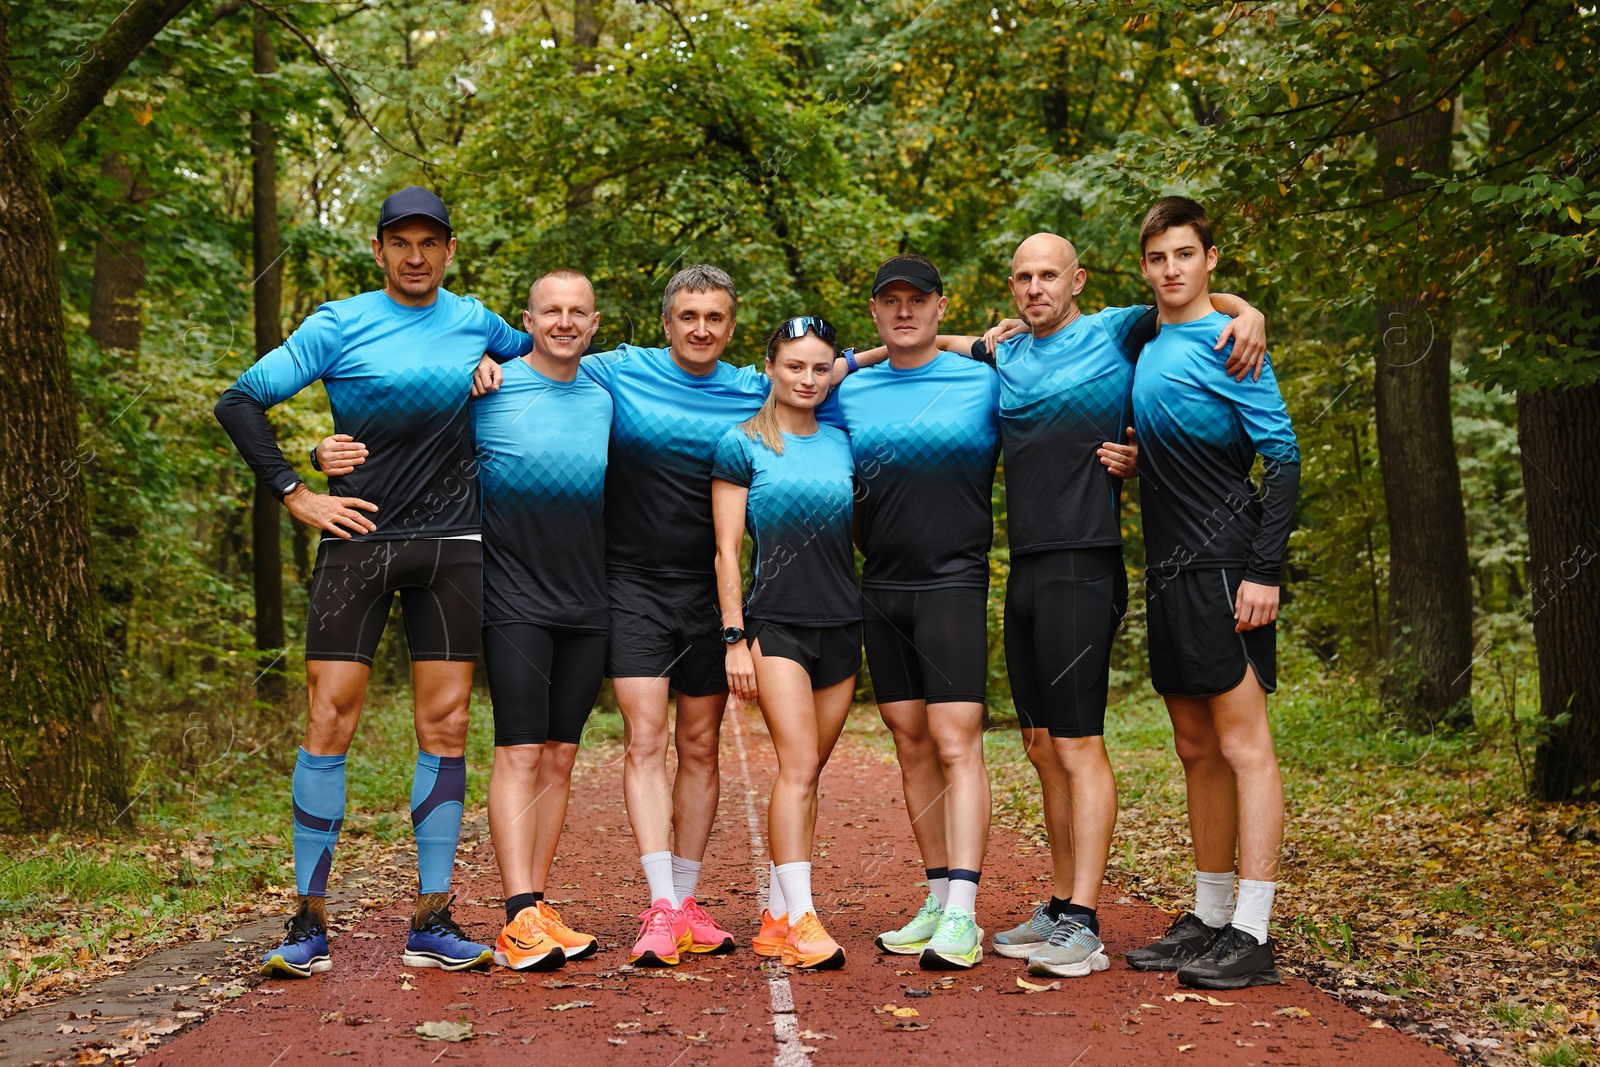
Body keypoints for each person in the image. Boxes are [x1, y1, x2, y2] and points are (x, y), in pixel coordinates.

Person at [470, 266, 873, 966]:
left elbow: (832, 373)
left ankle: (685, 902)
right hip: (627, 585)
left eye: (715, 317)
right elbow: (548, 343)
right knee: (645, 735)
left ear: (733, 325)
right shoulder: (617, 371)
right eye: (688, 315)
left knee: (702, 742)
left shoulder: (756, 387)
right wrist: (482, 357)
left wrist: (934, 348)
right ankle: (659, 903)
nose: (701, 329)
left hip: (710, 593)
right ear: (665, 322)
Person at [909, 235, 1267, 979]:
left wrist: (1248, 309)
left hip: (1085, 562)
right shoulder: (1004, 354)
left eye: (1050, 275)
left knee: (1078, 745)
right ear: (1010, 286)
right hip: (1027, 566)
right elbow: (930, 337)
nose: (1036, 288)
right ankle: (1060, 901)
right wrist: (855, 359)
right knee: (1040, 745)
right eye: (1023, 277)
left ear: (1078, 280)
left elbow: (1190, 302)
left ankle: (1087, 923)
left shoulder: (1114, 329)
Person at [214, 187, 530, 978]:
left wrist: (501, 358)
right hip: (358, 537)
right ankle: (308, 921)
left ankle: (431, 919)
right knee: (329, 719)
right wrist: (297, 486)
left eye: (430, 242)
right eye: (401, 242)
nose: (416, 255)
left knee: (448, 725)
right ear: (380, 248)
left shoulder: (476, 321)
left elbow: (542, 352)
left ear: (450, 251)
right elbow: (240, 401)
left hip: (454, 545)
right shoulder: (337, 323)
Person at [319, 269, 611, 972]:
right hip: (509, 595)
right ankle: (515, 915)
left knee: (561, 756)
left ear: (595, 323)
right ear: (527, 318)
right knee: (518, 750)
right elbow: (400, 438)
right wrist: (317, 455)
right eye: (551, 310)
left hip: (587, 598)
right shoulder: (486, 388)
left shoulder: (609, 392)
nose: (564, 322)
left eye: (578, 311)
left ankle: (537, 906)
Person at [1120, 197, 1299, 989]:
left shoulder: (1233, 343)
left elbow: (1283, 459)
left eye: (1184, 255)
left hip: (1229, 566)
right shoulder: (1145, 338)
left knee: (1243, 746)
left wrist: (1266, 570)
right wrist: (1141, 465)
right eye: (1158, 257)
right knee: (1196, 750)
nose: (1171, 270)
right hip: (1167, 571)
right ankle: (1212, 913)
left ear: (1209, 259)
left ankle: (1254, 934)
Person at [818, 254, 1001, 971]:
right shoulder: (849, 391)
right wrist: (846, 361)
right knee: (910, 738)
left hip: (953, 580)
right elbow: (798, 412)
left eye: (916, 300)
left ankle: (965, 909)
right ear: (874, 311)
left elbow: (1052, 408)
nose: (904, 311)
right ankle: (935, 896)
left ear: (940, 305)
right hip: (880, 584)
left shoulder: (983, 382)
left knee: (957, 738)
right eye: (889, 301)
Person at [711, 318, 859, 971]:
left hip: (842, 624)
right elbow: (726, 549)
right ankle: (801, 917)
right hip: (777, 627)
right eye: (795, 365)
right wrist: (735, 637)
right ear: (769, 366)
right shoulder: (741, 445)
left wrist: (865, 354)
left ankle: (776, 916)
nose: (807, 377)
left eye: (820, 367)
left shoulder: (843, 441)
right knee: (797, 766)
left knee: (810, 772)